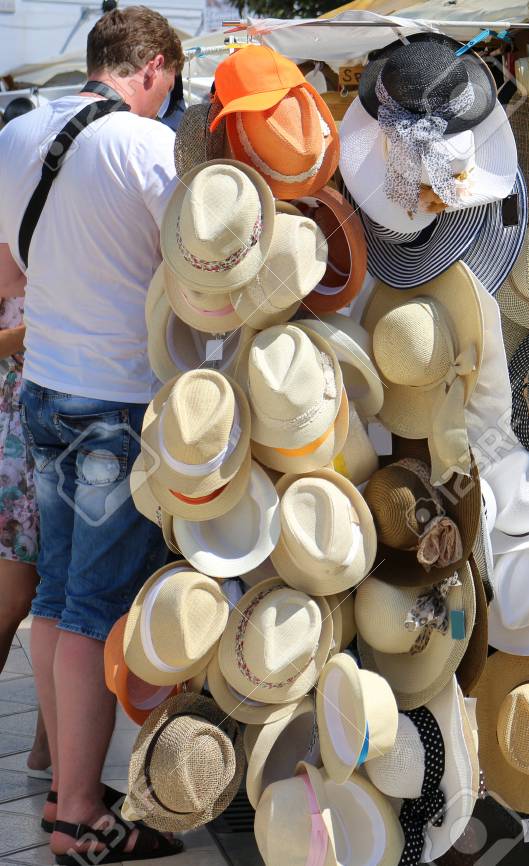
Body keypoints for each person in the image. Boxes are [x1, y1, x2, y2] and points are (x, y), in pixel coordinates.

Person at [0, 6, 183, 862]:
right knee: (94, 607)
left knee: (53, 596)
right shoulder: (147, 148)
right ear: (150, 67)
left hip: (43, 390)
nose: (167, 101)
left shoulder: (17, 132)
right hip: (116, 404)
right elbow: (194, 270)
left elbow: (11, 265)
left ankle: (61, 784)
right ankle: (80, 812)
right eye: (169, 86)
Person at [0, 289, 51, 781]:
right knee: (11, 602)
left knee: (63, 602)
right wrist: (28, 336)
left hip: (68, 433)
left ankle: (47, 753)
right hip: (14, 442)